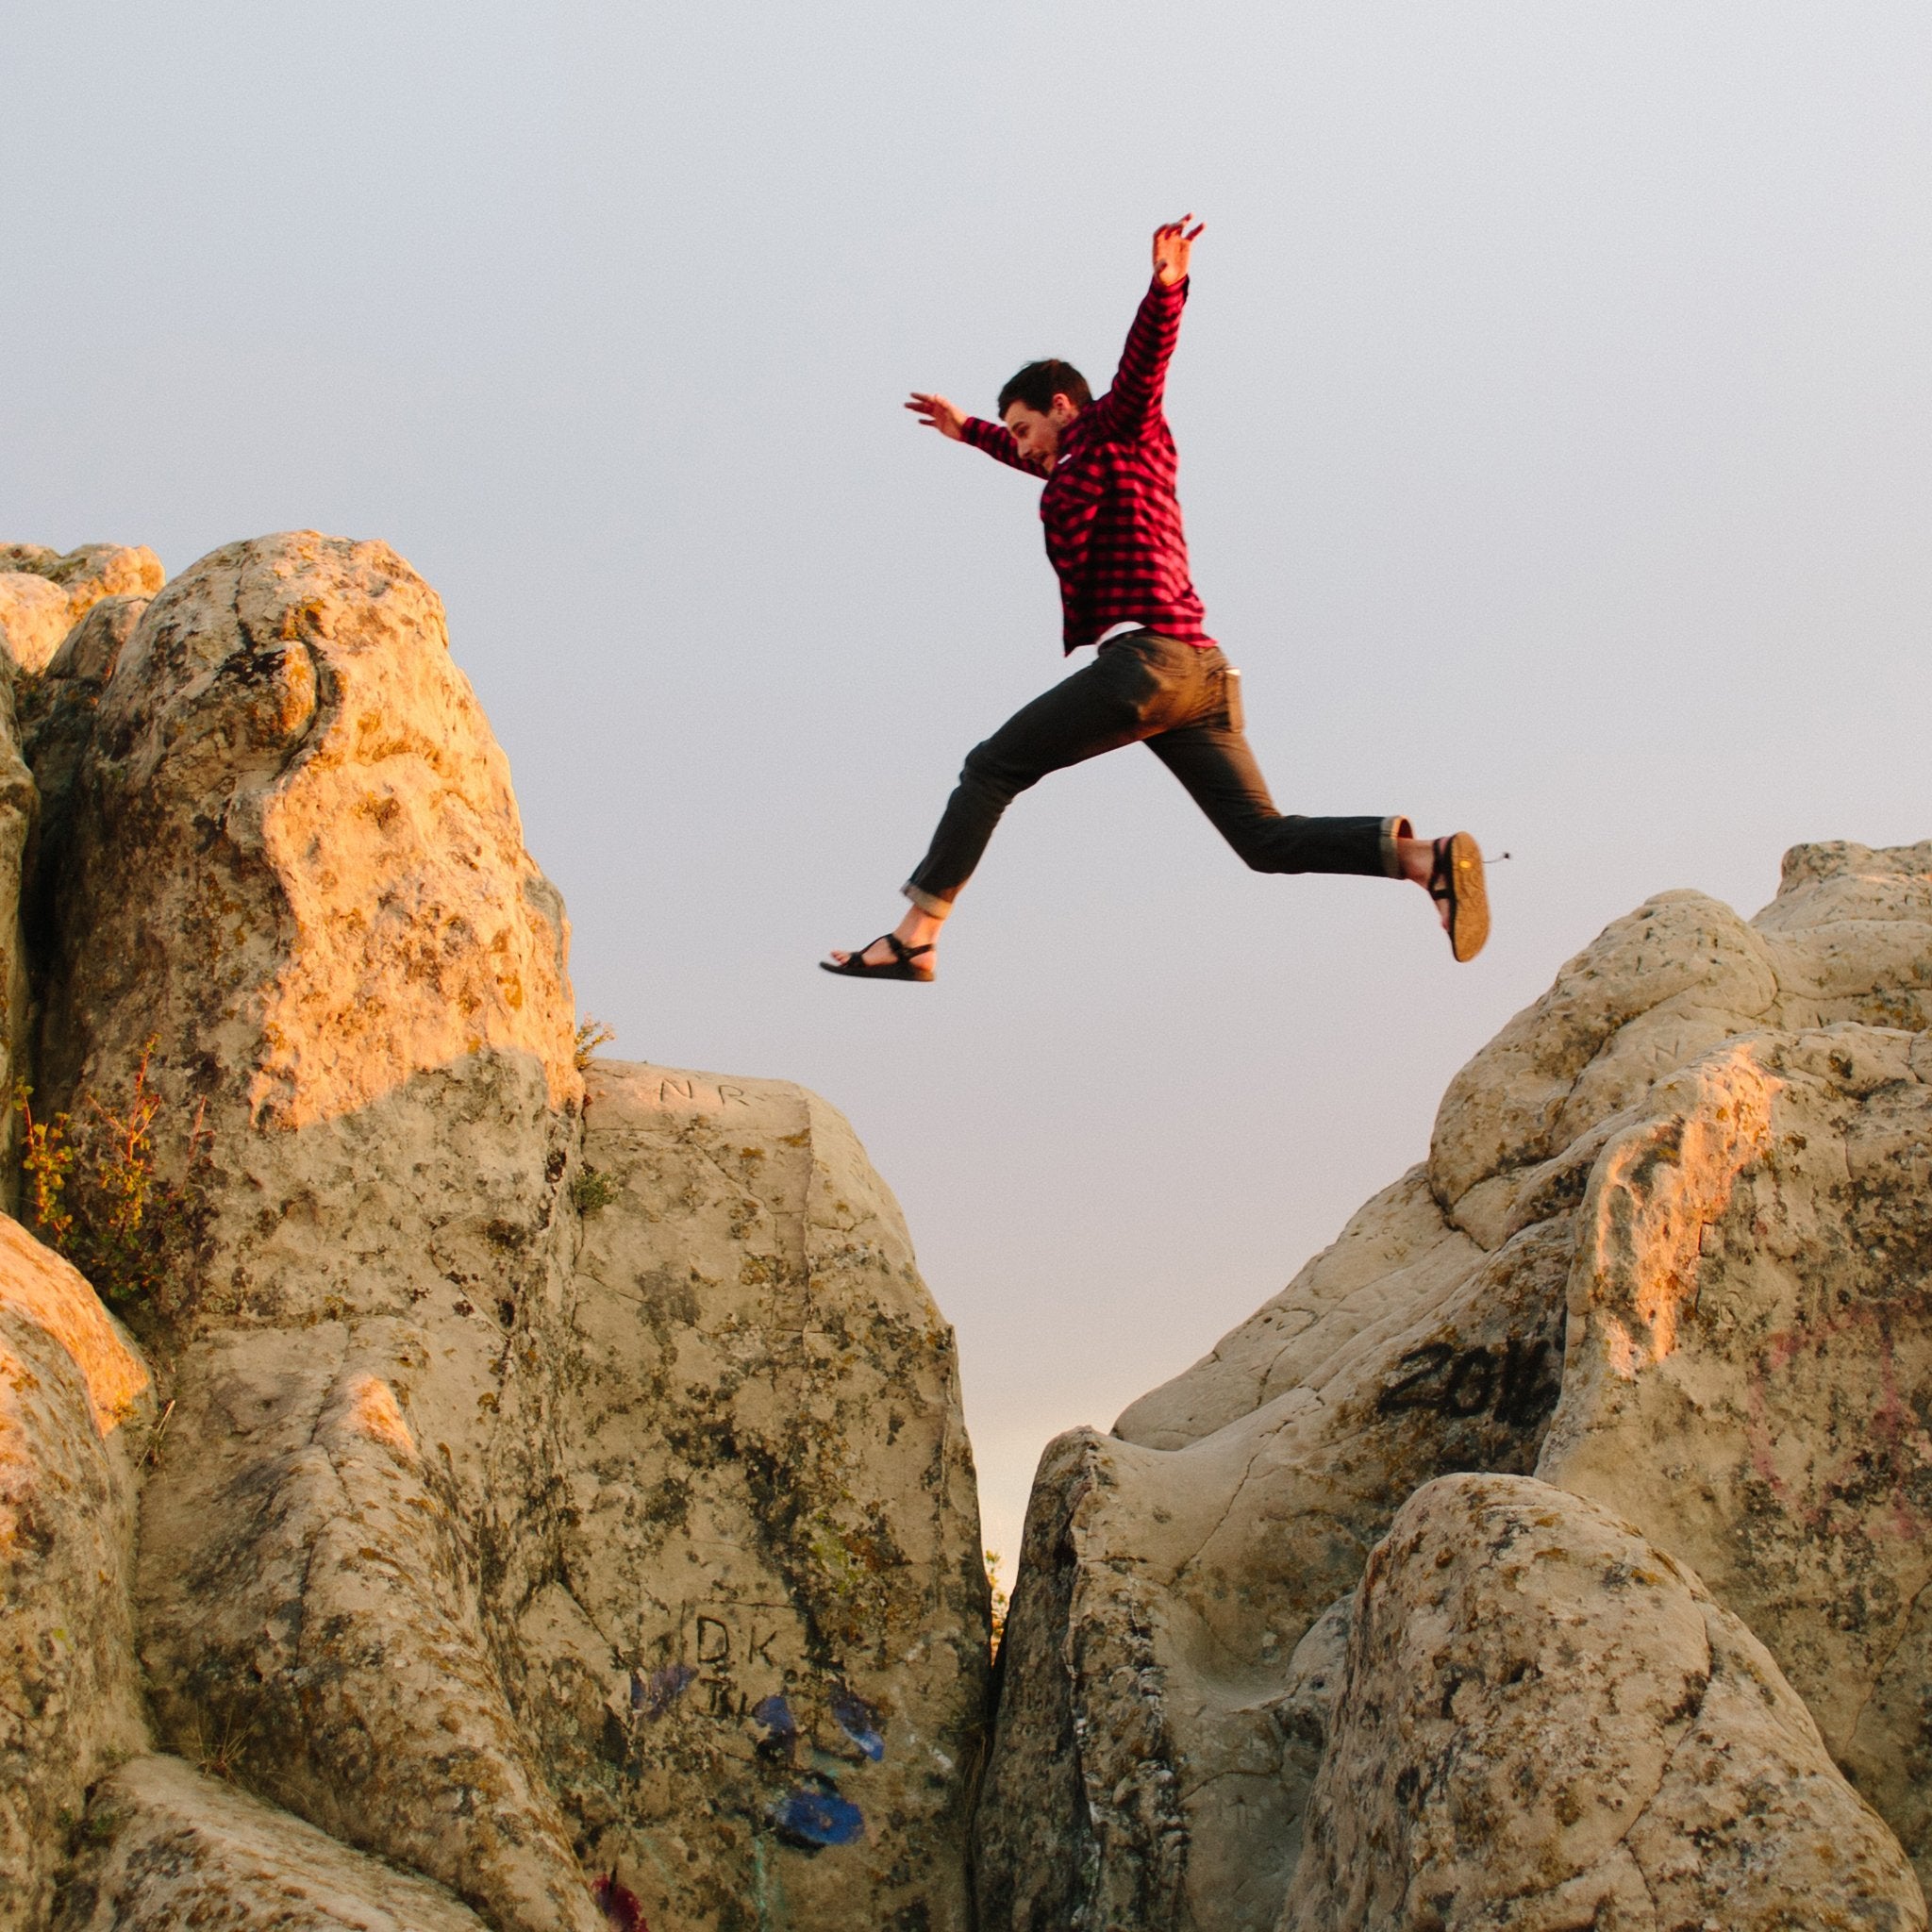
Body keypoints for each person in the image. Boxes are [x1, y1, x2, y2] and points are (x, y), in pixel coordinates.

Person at [823, 216, 1489, 983]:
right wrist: (967, 430)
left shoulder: (1119, 425)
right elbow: (1039, 460)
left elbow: (1143, 370)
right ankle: (1422, 858)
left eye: (1025, 426)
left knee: (991, 769)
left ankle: (915, 936)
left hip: (1147, 666)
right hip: (1201, 674)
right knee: (1262, 839)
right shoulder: (1083, 460)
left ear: (1066, 406)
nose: (1023, 445)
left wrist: (1165, 288)